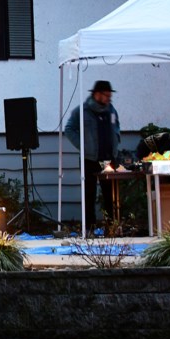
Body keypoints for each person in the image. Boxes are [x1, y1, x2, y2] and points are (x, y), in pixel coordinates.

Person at [64, 80, 122, 230]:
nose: (109, 98)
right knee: (89, 194)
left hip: (108, 159)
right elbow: (69, 129)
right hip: (89, 159)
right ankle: (89, 228)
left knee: (110, 195)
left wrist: (116, 141)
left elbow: (116, 127)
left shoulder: (111, 111)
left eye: (110, 95)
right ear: (97, 94)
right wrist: (82, 146)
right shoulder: (82, 111)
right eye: (106, 95)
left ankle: (111, 227)